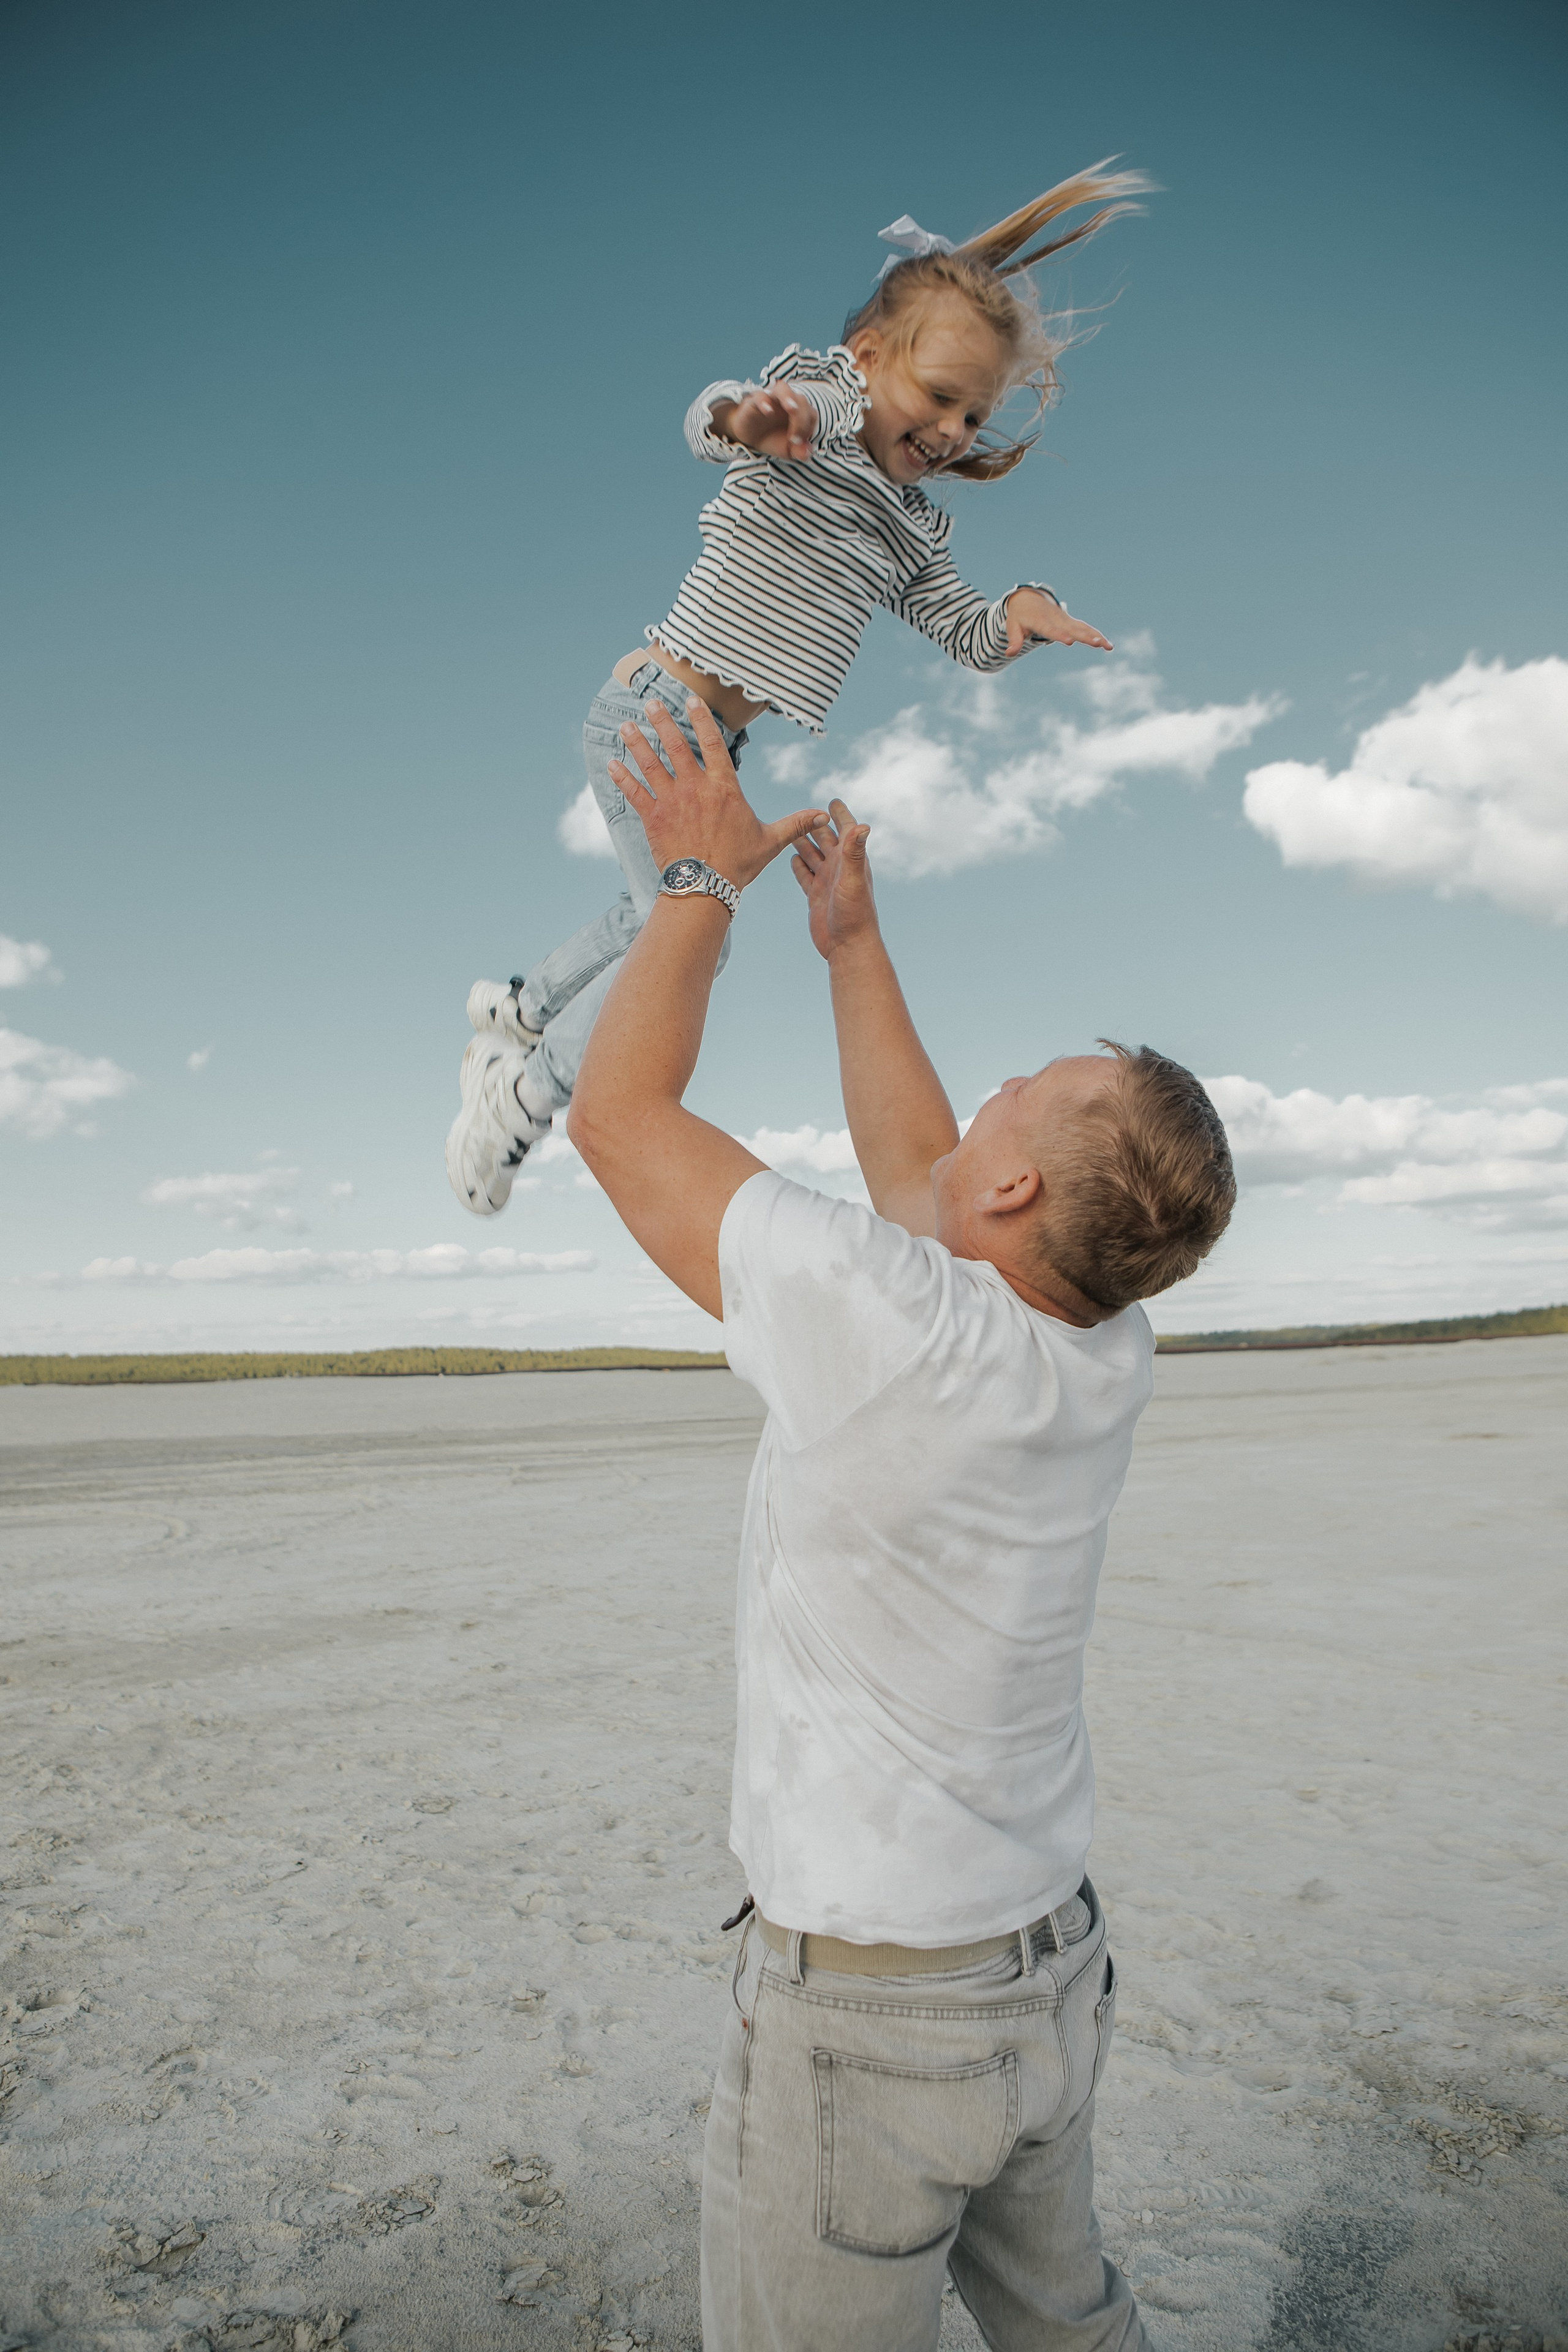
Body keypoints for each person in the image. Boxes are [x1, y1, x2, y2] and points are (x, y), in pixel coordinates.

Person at [567, 696, 1235, 2350]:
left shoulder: (906, 1327)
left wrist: (695, 889)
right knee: (1071, 2322)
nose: (989, 1095)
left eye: (1022, 1092)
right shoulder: (1103, 1344)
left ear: (1015, 1200)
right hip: (1045, 1975)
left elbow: (618, 1121)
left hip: (872, 2018)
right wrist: (852, 943)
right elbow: (924, 1163)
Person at [446, 159, 1153, 1216]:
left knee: (660, 917)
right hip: (657, 711)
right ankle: (524, 1090)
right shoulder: (812, 407)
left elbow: (959, 627)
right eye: (940, 397)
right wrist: (749, 421)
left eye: (976, 416)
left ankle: (519, 1007)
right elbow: (708, 417)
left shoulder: (912, 525)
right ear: (869, 359)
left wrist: (1019, 615)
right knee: (697, 930)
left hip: (707, 746)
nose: (957, 431)